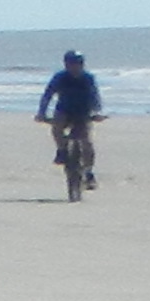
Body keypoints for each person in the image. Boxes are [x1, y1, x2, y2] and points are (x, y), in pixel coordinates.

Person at [35, 50, 102, 196]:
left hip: (82, 112)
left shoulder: (88, 78)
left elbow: (95, 97)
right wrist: (42, 112)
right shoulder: (60, 77)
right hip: (64, 111)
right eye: (72, 64)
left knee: (86, 142)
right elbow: (48, 95)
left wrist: (96, 112)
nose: (75, 67)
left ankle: (89, 172)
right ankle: (62, 150)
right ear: (66, 64)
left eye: (78, 63)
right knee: (56, 127)